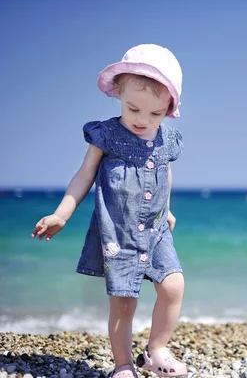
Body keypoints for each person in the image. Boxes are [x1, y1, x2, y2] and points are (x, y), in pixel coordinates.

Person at [31, 44, 188, 378]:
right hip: (118, 233)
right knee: (123, 302)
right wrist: (62, 214)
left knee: (173, 285)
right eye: (134, 109)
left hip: (156, 228)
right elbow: (84, 175)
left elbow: (165, 172)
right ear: (118, 92)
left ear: (169, 108)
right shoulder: (106, 135)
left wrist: (168, 208)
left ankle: (156, 348)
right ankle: (123, 365)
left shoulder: (168, 140)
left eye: (155, 114)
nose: (143, 121)